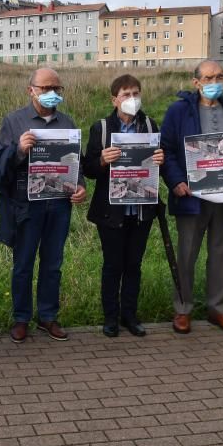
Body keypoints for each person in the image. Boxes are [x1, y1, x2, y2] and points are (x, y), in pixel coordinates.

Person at [160, 60, 223, 335]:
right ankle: (183, 309)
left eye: (219, 77)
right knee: (187, 254)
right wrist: (176, 181)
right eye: (209, 78)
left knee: (221, 253)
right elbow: (167, 150)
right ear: (196, 82)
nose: (214, 83)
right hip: (192, 194)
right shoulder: (179, 111)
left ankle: (219, 310)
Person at [0, 68, 87, 344]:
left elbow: (76, 163)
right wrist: (19, 150)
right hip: (26, 205)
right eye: (45, 88)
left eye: (56, 88)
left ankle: (48, 316)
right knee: (22, 264)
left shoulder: (67, 123)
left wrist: (80, 186)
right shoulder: (13, 121)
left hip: (58, 205)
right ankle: (21, 318)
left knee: (53, 263)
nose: (52, 94)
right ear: (30, 90)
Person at [84, 74, 165, 337]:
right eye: (126, 94)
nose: (132, 99)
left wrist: (161, 160)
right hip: (111, 210)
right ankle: (110, 317)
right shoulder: (102, 128)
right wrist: (102, 161)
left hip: (141, 209)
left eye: (136, 93)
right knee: (112, 265)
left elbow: (157, 167)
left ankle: (129, 315)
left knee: (134, 265)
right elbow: (88, 168)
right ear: (114, 99)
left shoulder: (151, 126)